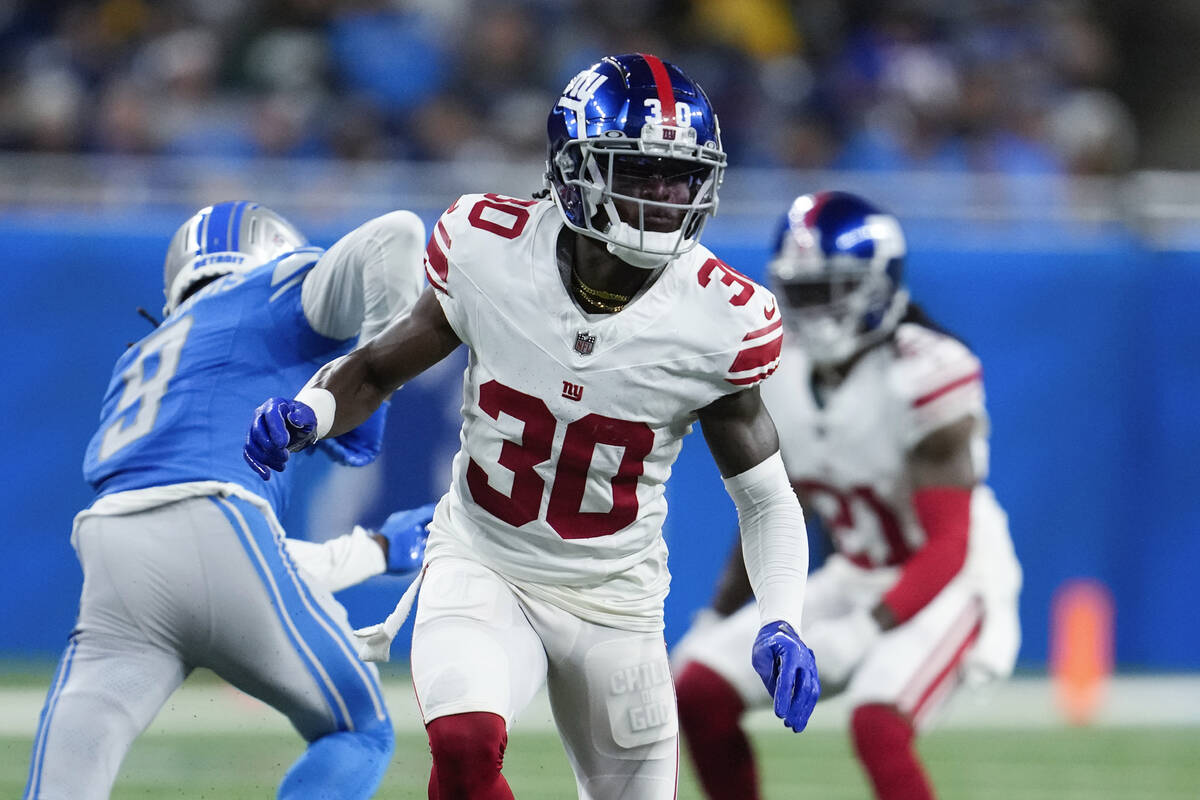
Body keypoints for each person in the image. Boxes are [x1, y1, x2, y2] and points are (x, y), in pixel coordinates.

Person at [244, 53, 821, 799]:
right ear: (575, 168)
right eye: (639, 173)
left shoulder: (722, 319)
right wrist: (312, 412)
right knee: (463, 747)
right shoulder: (490, 250)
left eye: (679, 177)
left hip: (616, 598)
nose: (665, 198)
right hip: (485, 560)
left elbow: (767, 499)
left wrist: (781, 620)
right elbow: (375, 370)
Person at [24, 201, 432, 800]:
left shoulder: (139, 360)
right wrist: (378, 382)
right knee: (360, 729)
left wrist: (372, 550)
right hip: (218, 524)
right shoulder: (272, 289)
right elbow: (396, 236)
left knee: (67, 781)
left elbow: (200, 555)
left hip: (111, 556)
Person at [671, 191, 1023, 800]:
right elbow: (775, 508)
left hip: (952, 579)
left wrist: (863, 630)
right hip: (859, 572)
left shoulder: (927, 370)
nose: (814, 309)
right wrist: (719, 615)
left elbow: (949, 543)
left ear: (879, 283)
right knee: (698, 686)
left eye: (832, 288)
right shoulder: (780, 371)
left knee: (877, 722)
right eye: (801, 290)